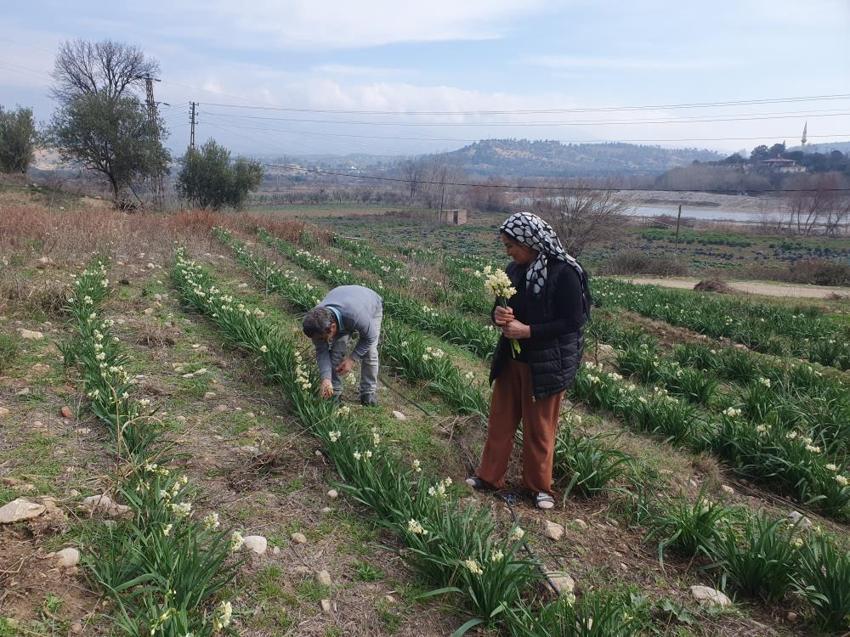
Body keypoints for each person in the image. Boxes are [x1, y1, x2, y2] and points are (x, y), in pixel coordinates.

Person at [466, 212, 590, 509]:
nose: (507, 251)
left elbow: (574, 321)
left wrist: (528, 331)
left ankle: (538, 488)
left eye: (511, 245)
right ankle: (489, 476)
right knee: (501, 420)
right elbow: (501, 307)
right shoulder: (515, 269)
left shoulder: (565, 272)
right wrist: (499, 316)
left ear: (530, 241)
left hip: (546, 363)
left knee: (539, 427)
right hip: (512, 359)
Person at [302, 285, 383, 406]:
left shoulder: (356, 316)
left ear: (333, 328)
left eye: (322, 338)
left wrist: (352, 359)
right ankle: (335, 393)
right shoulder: (315, 323)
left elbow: (369, 338)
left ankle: (368, 392)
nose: (320, 341)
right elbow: (321, 351)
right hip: (343, 301)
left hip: (370, 304)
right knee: (336, 351)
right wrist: (326, 379)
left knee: (369, 352)